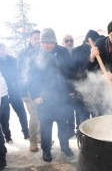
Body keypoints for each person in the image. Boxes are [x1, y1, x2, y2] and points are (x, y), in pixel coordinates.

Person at [28, 28, 74, 162]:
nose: (46, 45)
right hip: (44, 98)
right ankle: (46, 151)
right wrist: (35, 95)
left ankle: (65, 147)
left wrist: (71, 89)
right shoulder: (33, 53)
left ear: (54, 41)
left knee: (63, 125)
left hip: (61, 96)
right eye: (43, 42)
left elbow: (69, 71)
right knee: (46, 127)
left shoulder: (63, 51)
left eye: (49, 42)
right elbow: (31, 77)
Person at [0, 43, 29, 141]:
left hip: (15, 91)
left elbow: (20, 74)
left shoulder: (13, 60)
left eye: (2, 49)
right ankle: (8, 137)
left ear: (5, 49)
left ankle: (26, 132)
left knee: (22, 113)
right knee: (4, 117)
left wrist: (21, 89)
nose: (1, 51)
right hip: (2, 93)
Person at [71, 30, 100, 130]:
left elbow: (71, 72)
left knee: (83, 119)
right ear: (93, 41)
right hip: (87, 90)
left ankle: (84, 141)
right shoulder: (95, 51)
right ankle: (92, 141)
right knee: (94, 118)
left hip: (80, 90)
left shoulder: (74, 50)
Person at [17, 29, 41, 152]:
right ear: (30, 39)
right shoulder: (23, 54)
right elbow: (20, 74)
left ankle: (40, 137)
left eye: (39, 38)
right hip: (30, 90)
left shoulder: (43, 51)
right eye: (35, 38)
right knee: (34, 115)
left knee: (42, 115)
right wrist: (23, 93)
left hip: (42, 89)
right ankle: (32, 141)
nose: (38, 41)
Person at [62, 34, 76, 137]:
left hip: (79, 87)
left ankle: (80, 131)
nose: (69, 43)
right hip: (64, 88)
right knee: (68, 111)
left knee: (79, 111)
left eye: (71, 40)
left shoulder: (77, 53)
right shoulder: (58, 55)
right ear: (62, 43)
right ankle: (70, 131)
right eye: (66, 41)